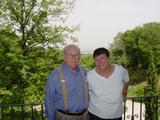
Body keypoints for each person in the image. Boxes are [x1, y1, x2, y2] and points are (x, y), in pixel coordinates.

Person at [45, 44, 88, 120]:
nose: (74, 57)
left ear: (80, 57)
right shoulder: (55, 76)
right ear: (64, 57)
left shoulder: (84, 73)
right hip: (64, 117)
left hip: (85, 116)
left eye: (76, 55)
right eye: (70, 55)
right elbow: (49, 102)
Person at [87, 47, 129, 120]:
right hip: (96, 115)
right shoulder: (89, 76)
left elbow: (126, 80)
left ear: (108, 58)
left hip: (117, 115)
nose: (99, 62)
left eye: (102, 58)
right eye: (96, 59)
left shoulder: (120, 71)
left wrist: (124, 94)